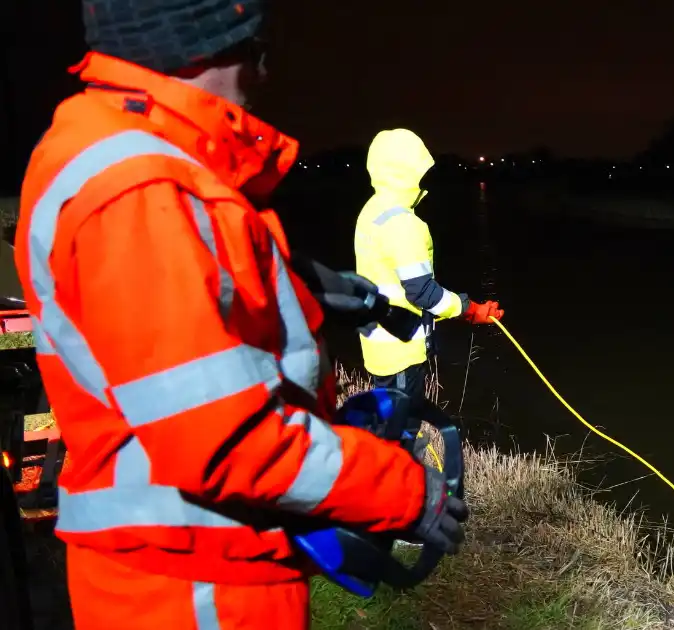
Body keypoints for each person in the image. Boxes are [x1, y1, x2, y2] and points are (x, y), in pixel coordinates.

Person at [12, 2, 468, 628]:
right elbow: (227, 439)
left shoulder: (107, 149)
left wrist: (310, 288)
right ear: (201, 45)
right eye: (253, 45)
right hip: (196, 586)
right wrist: (405, 492)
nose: (264, 70)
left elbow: (189, 305)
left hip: (190, 567)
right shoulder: (143, 193)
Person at [354, 128, 503, 407]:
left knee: (392, 422)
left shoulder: (372, 210)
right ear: (406, 172)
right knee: (401, 431)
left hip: (378, 344)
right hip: (400, 349)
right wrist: (472, 310)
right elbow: (423, 292)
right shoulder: (402, 223)